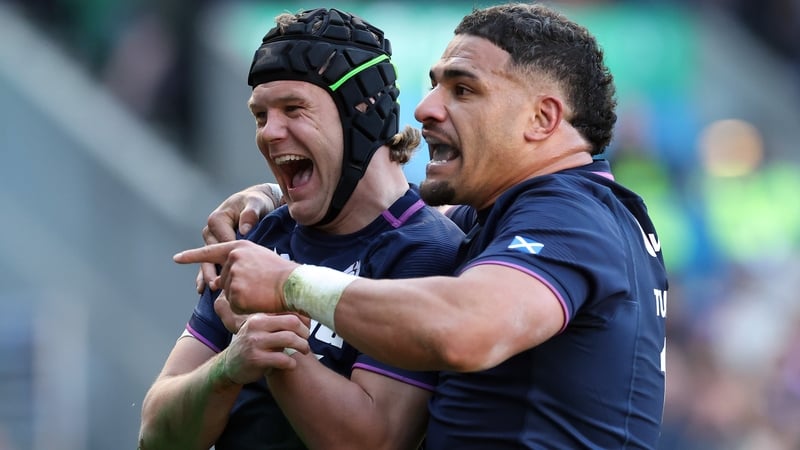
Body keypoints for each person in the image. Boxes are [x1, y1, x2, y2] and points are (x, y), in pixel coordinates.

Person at [178, 2, 670, 449]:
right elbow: (391, 213)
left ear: (542, 119)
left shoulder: (571, 212)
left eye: (462, 89)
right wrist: (269, 197)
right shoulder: (503, 218)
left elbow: (464, 327)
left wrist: (288, 284)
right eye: (435, 84)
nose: (425, 107)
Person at [138, 8, 464, 450]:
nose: (269, 133)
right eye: (260, 115)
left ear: (363, 112)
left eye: (294, 108)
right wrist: (227, 368)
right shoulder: (261, 234)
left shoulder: (426, 251)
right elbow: (157, 434)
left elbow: (375, 440)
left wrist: (271, 343)